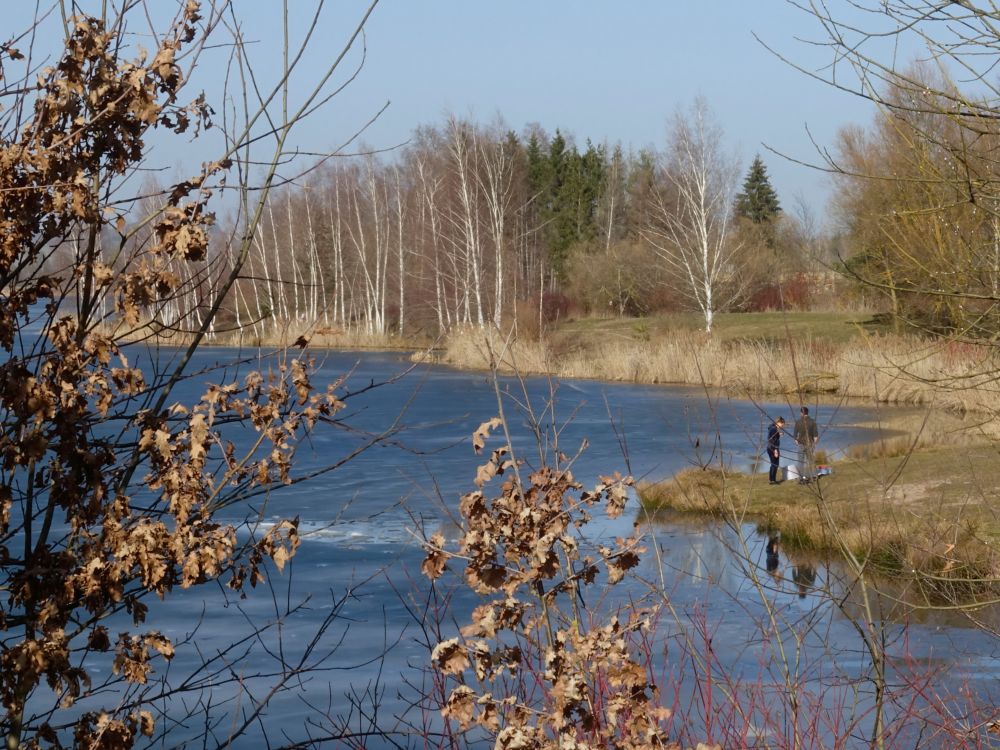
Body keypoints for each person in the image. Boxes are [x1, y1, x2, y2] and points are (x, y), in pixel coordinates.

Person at [793, 406, 819, 484]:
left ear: (801, 413)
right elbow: (815, 436)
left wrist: (797, 441)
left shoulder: (798, 422)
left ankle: (801, 477)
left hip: (801, 444)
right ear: (807, 412)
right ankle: (814, 476)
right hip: (810, 444)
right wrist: (814, 444)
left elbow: (795, 435)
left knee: (800, 461)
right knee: (811, 460)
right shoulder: (812, 422)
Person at [766, 416, 785, 484]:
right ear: (779, 422)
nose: (782, 426)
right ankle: (772, 480)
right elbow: (773, 440)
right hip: (772, 448)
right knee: (775, 464)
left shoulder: (772, 428)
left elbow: (773, 436)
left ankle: (772, 479)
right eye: (782, 424)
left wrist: (779, 434)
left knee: (773, 464)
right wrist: (775, 450)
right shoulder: (774, 429)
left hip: (770, 448)